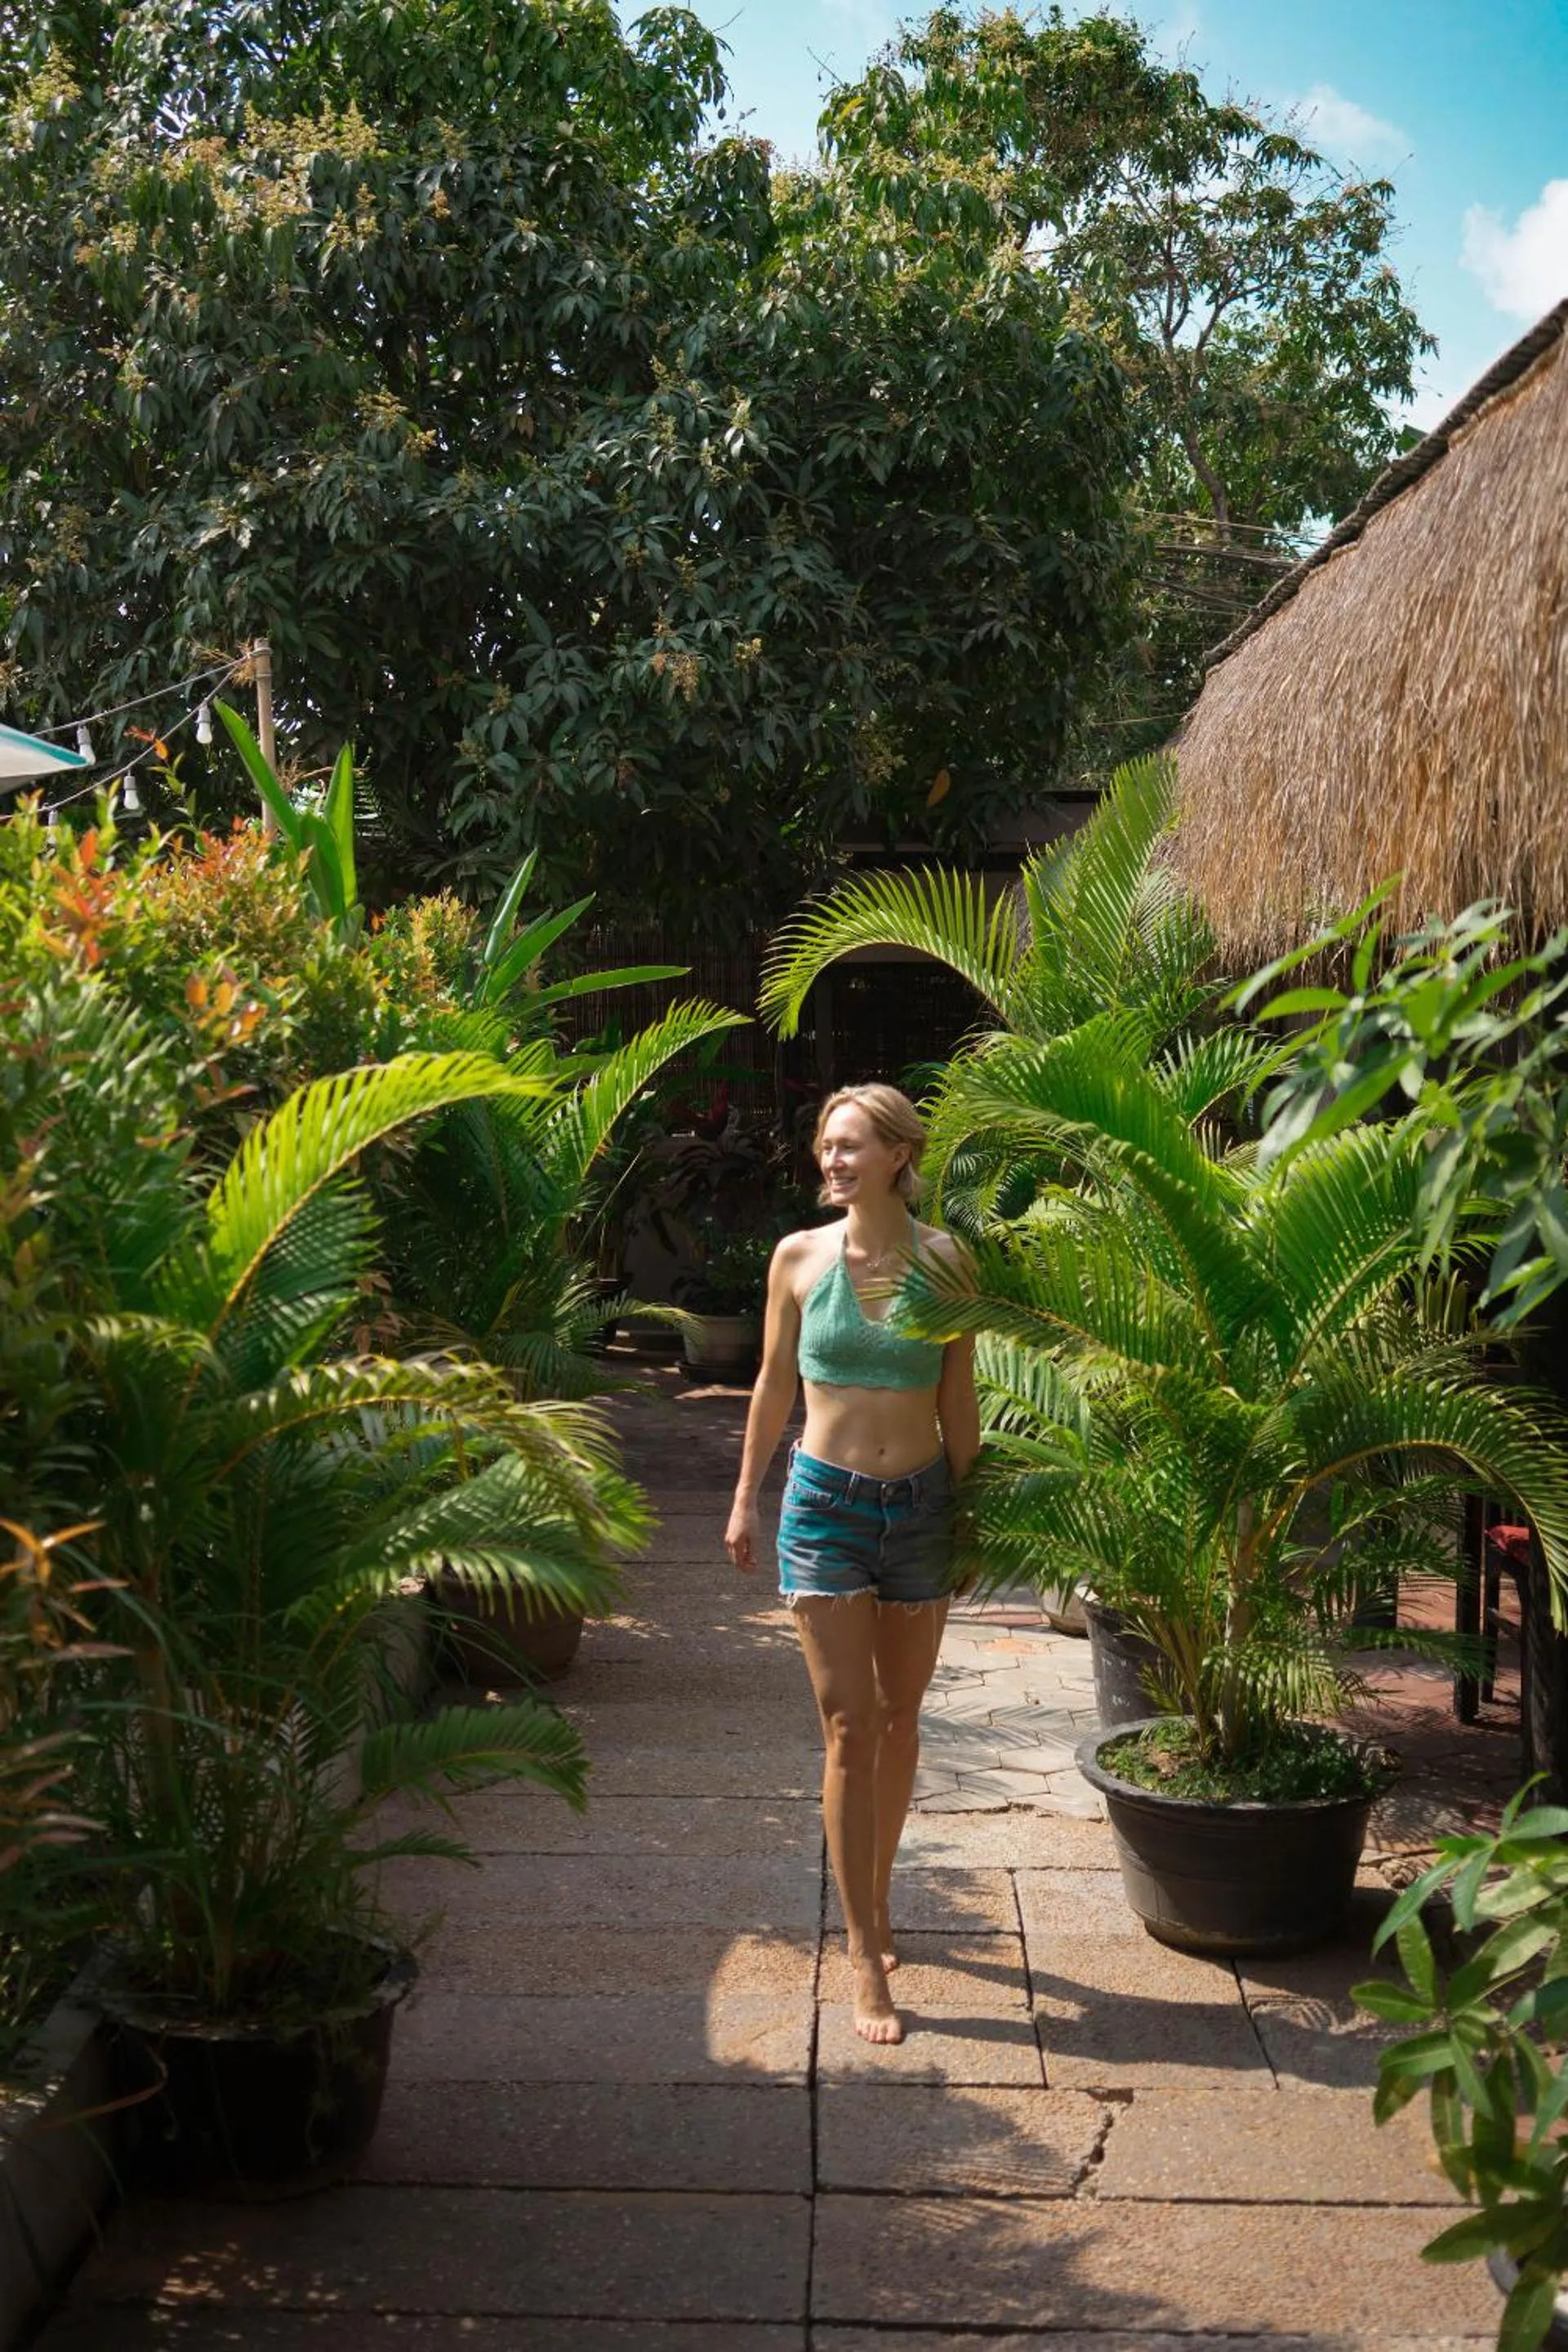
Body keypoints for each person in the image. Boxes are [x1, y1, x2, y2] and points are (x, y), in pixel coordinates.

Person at [724, 1084, 979, 2045]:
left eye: (851, 1146)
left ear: (899, 1154)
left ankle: (871, 1898)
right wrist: (747, 1497)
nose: (832, 1160)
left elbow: (961, 1402)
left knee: (902, 1719)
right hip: (824, 1507)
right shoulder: (799, 1257)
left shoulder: (949, 1261)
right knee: (848, 1724)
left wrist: (972, 1517)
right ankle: (866, 1951)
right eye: (826, 1146)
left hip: (919, 1510)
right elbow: (773, 1383)